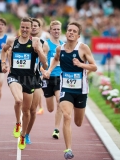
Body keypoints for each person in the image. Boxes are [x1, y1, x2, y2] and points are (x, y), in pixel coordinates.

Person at [44, 21, 97, 159]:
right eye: (69, 30)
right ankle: (68, 150)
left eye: (74, 31)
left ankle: (70, 142)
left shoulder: (83, 48)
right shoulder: (59, 49)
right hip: (65, 88)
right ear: (66, 33)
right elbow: (55, 60)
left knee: (78, 123)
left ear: (78, 36)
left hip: (81, 91)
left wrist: (81, 65)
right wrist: (49, 70)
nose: (71, 33)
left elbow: (94, 67)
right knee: (66, 116)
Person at [1, 17, 47, 150]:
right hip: (14, 76)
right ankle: (17, 123)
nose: (25, 30)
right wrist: (3, 64)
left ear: (31, 28)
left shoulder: (36, 41)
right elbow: (4, 51)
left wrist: (38, 50)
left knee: (27, 111)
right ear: (20, 27)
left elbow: (44, 63)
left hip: (30, 79)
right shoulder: (12, 40)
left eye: (27, 27)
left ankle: (23, 135)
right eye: (23, 27)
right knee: (18, 100)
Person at [25, 18, 49, 144]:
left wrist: (39, 50)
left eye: (36, 26)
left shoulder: (44, 44)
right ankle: (20, 124)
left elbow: (44, 64)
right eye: (31, 25)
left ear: (39, 28)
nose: (33, 27)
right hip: (22, 78)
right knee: (24, 106)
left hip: (36, 78)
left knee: (33, 110)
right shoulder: (20, 41)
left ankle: (27, 134)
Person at [41, 20, 64, 140]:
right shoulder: (46, 44)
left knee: (60, 102)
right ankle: (50, 108)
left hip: (60, 77)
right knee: (50, 109)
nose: (56, 31)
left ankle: (56, 129)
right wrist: (44, 71)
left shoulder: (64, 45)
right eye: (54, 29)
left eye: (58, 29)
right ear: (50, 31)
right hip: (48, 78)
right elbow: (41, 61)